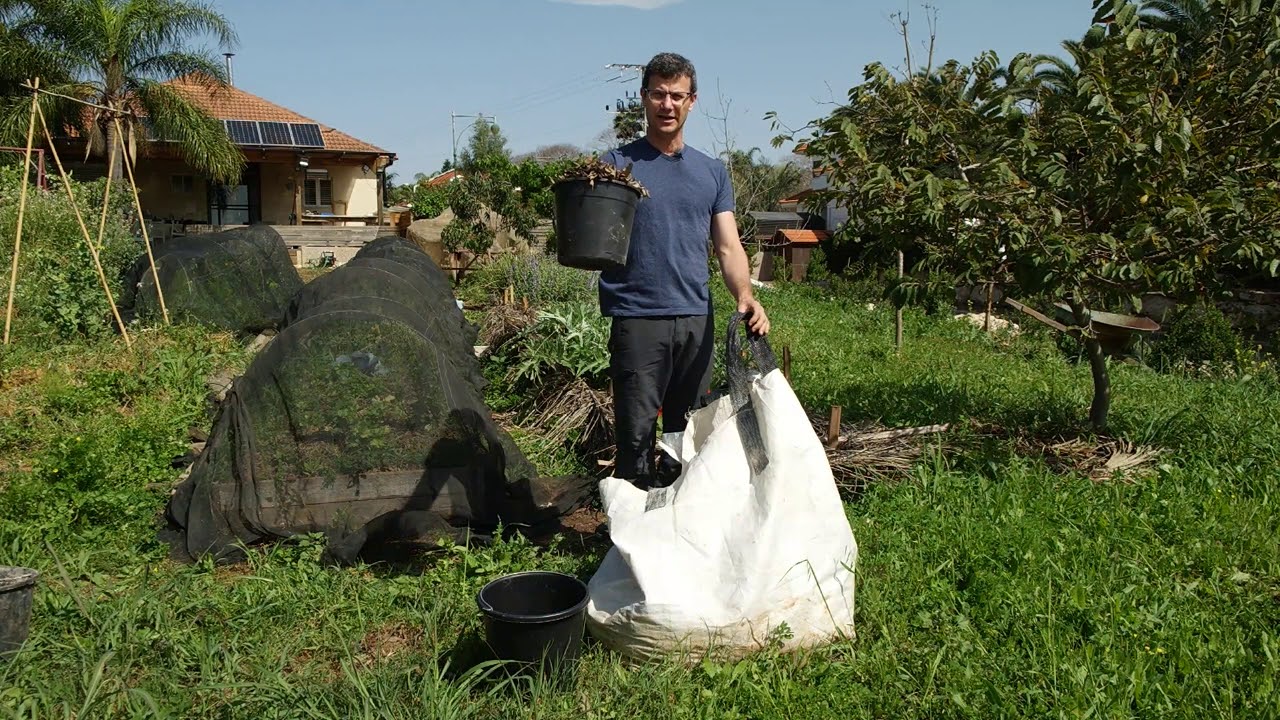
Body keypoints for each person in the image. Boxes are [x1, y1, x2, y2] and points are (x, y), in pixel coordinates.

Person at [596, 51, 770, 488]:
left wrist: (745, 296)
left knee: (688, 430)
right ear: (643, 98)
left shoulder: (710, 172)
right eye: (658, 94)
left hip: (696, 317)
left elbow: (728, 246)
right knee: (636, 434)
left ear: (692, 101)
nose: (667, 104)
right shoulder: (616, 166)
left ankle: (679, 519)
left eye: (677, 95)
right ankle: (633, 535)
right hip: (637, 317)